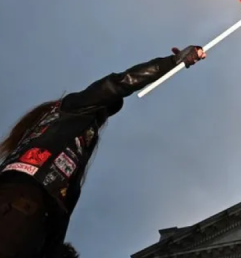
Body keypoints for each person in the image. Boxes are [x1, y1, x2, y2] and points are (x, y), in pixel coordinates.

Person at [0, 46, 206, 258]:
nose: (104, 118)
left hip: (29, 215)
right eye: (106, 110)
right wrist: (172, 63)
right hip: (20, 210)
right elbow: (118, 83)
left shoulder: (38, 136)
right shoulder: (72, 108)